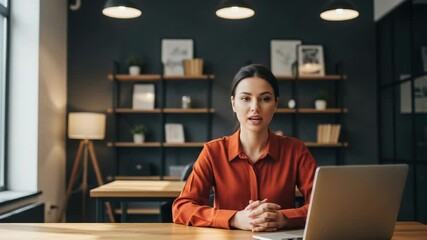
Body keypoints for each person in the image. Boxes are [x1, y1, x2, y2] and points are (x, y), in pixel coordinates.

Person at [172, 64, 317, 232]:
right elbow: (181, 207)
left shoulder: (296, 151)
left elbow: (323, 206)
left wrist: (284, 218)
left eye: (265, 99)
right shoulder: (213, 152)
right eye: (246, 98)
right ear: (233, 103)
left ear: (275, 104)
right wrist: (234, 219)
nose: (255, 107)